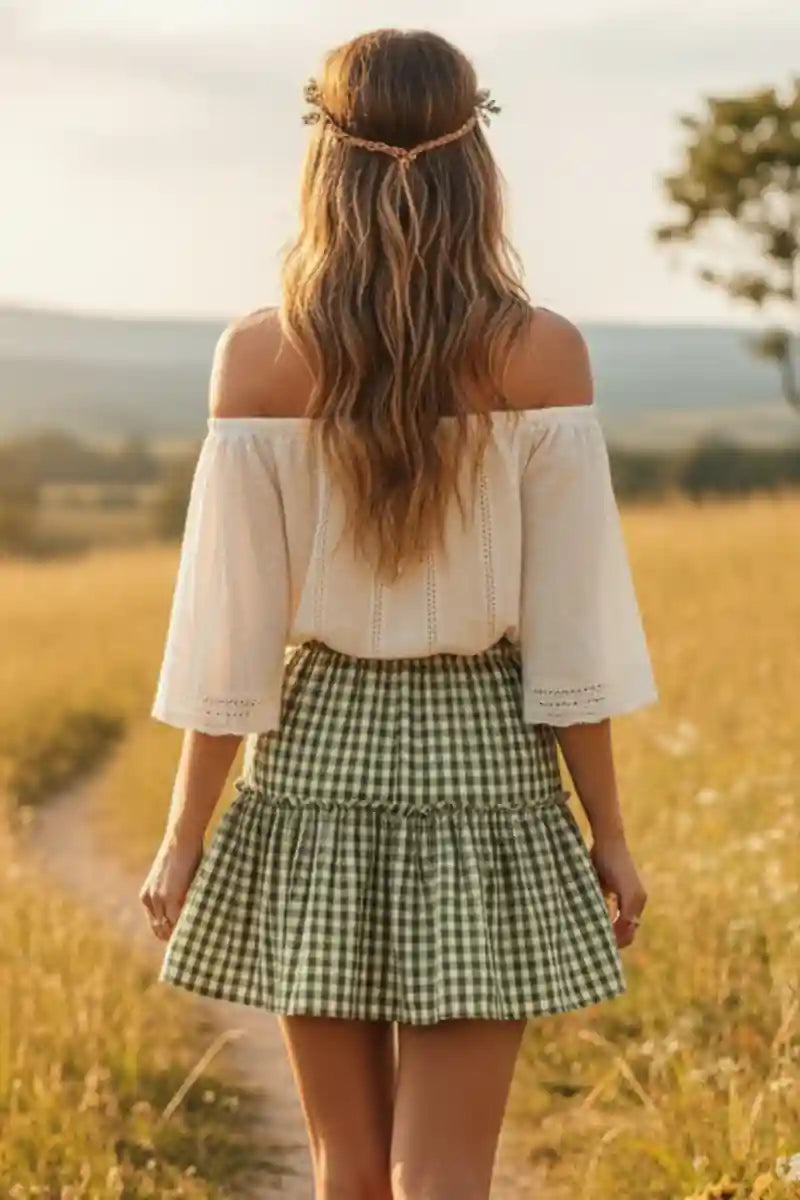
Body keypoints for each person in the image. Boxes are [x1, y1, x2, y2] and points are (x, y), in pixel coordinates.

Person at [139, 27, 657, 1200]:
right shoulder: (542, 354)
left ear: (324, 157)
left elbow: (230, 636)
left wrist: (184, 832)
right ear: (477, 154)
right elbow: (569, 632)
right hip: (484, 770)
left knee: (347, 1168)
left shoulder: (258, 358)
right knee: (446, 1171)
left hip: (313, 763)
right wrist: (608, 832)